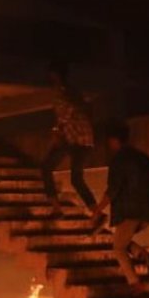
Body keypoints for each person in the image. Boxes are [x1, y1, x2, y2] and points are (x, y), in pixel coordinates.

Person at [90, 121, 149, 292]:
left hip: (129, 212)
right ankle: (147, 258)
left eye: (109, 141)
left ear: (114, 140)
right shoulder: (143, 157)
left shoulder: (119, 160)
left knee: (118, 248)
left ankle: (135, 283)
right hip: (146, 212)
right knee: (122, 240)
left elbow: (113, 190)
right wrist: (147, 200)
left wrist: (98, 210)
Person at [41, 61, 97, 217]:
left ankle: (57, 208)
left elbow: (65, 114)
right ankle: (96, 212)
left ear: (55, 76)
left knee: (47, 168)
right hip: (82, 140)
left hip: (74, 139)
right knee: (75, 178)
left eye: (51, 76)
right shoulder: (73, 91)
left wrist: (56, 131)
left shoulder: (62, 91)